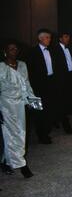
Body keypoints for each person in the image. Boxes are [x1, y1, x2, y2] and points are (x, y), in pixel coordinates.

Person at [0, 40, 37, 178]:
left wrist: (32, 101)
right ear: (5, 51)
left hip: (20, 105)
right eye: (10, 48)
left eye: (15, 48)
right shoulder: (1, 67)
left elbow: (27, 84)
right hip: (5, 105)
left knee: (21, 133)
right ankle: (22, 165)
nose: (13, 51)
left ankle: (5, 161)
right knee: (11, 135)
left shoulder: (22, 65)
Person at [27, 28, 58, 144]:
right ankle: (41, 135)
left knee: (49, 110)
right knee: (38, 111)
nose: (49, 39)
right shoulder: (32, 52)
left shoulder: (52, 51)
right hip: (37, 86)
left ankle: (45, 132)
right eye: (47, 37)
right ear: (40, 39)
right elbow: (29, 72)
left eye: (50, 37)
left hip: (50, 84)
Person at [52, 31, 72, 134]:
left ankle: (56, 119)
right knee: (62, 102)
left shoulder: (70, 48)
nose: (68, 38)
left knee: (66, 101)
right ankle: (66, 125)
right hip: (60, 80)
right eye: (66, 37)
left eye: (69, 36)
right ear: (60, 39)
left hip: (69, 78)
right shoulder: (55, 50)